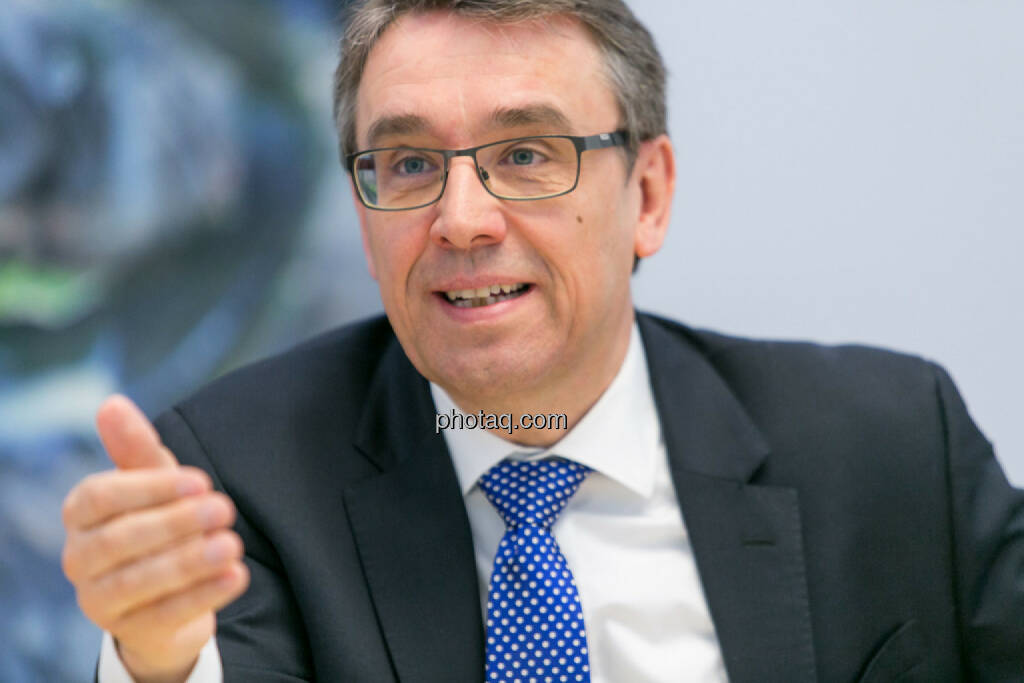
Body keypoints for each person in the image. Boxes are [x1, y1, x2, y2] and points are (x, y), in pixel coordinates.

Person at [61, 0, 1023, 681]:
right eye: (409, 164)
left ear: (648, 196)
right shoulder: (237, 477)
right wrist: (163, 659)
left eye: (526, 154)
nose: (461, 220)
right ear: (363, 215)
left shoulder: (893, 443)